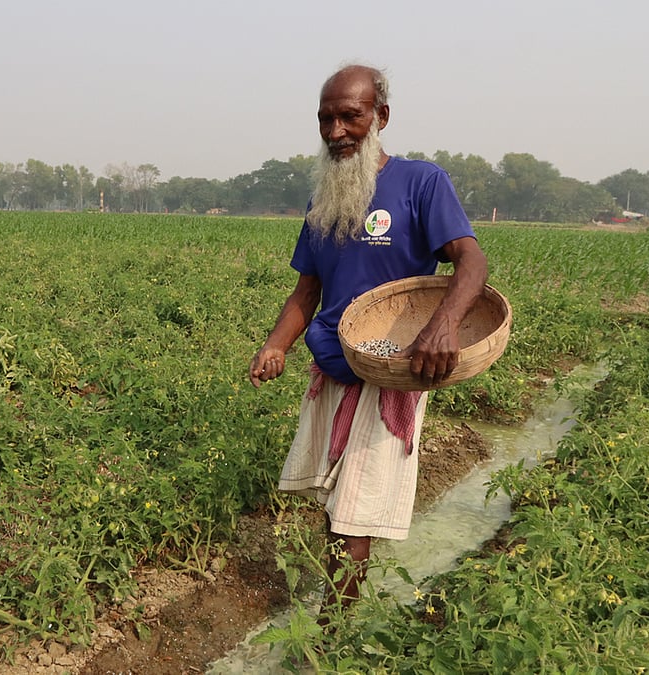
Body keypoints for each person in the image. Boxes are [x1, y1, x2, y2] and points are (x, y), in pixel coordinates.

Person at [248, 64, 488, 622]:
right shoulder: (324, 199)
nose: (336, 131)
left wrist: (445, 323)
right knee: (335, 508)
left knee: (355, 516)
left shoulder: (421, 182)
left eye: (349, 116)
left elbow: (470, 260)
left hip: (389, 374)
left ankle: (328, 638)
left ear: (380, 117)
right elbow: (307, 289)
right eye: (326, 118)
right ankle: (334, 615)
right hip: (333, 367)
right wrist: (276, 345)